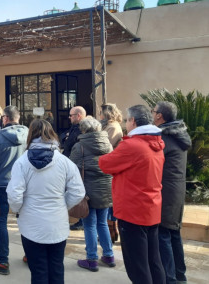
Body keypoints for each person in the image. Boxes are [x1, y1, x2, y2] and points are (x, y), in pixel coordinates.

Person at [7, 119, 85, 284]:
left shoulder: (21, 163)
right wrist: (63, 204)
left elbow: (14, 195)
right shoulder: (65, 162)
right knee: (57, 268)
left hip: (31, 225)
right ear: (52, 135)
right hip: (57, 224)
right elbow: (78, 191)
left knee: (38, 271)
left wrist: (19, 209)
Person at [99, 105, 166, 284]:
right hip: (151, 208)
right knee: (154, 260)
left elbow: (105, 164)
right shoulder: (157, 143)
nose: (126, 124)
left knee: (137, 266)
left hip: (132, 211)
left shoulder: (132, 145)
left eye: (127, 120)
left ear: (133, 121)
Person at [0, 105, 28, 275]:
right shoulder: (27, 134)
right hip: (22, 184)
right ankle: (30, 254)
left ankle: (3, 260)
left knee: (1, 221)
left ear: (5, 119)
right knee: (24, 220)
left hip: (2, 184)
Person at [152, 101, 192, 284]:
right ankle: (180, 275)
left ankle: (170, 279)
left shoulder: (163, 138)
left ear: (160, 115)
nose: (152, 115)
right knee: (173, 233)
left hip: (166, 191)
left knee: (164, 235)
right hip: (175, 190)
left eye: (153, 112)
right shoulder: (178, 134)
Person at [70, 117, 115, 272]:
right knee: (102, 222)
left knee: (89, 225)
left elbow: (72, 168)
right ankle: (109, 255)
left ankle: (92, 258)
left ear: (83, 130)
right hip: (106, 189)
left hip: (88, 190)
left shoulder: (80, 146)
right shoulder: (107, 143)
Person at [99, 103, 123, 242]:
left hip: (110, 167)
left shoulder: (113, 127)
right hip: (107, 165)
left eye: (101, 112)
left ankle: (111, 233)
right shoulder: (108, 126)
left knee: (109, 203)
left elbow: (105, 146)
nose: (99, 115)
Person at [62, 106, 86, 231]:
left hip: (76, 165)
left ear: (79, 116)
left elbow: (69, 143)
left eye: (71, 115)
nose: (69, 117)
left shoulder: (81, 129)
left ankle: (80, 218)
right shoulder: (74, 128)